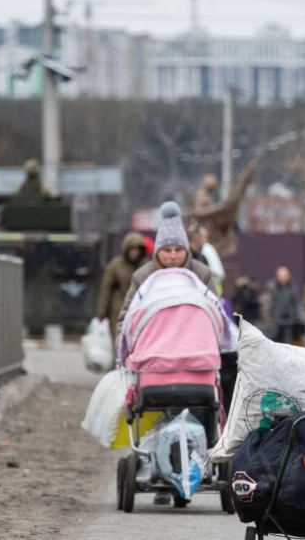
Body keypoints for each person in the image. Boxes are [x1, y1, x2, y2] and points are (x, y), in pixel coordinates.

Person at [115, 202, 219, 506]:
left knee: (207, 405)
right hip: (155, 361)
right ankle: (162, 474)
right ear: (156, 252)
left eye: (178, 250)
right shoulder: (143, 278)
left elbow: (213, 312)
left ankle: (195, 461)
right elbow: (127, 317)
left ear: (187, 250)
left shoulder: (201, 274)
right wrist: (126, 345)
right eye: (167, 250)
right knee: (155, 416)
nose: (173, 256)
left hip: (196, 359)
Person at [96, 232, 148, 346]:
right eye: (132, 249)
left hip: (141, 308)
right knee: (119, 342)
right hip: (118, 309)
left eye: (137, 249)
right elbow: (106, 289)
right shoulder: (116, 265)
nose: (135, 252)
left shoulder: (146, 265)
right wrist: (101, 313)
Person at [268, 266, 299, 344]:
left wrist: (295, 315)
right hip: (278, 318)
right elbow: (272, 302)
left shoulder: (292, 288)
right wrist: (270, 314)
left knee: (287, 339)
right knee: (277, 339)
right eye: (281, 275)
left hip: (289, 317)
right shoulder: (274, 289)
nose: (283, 278)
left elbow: (295, 303)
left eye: (285, 275)